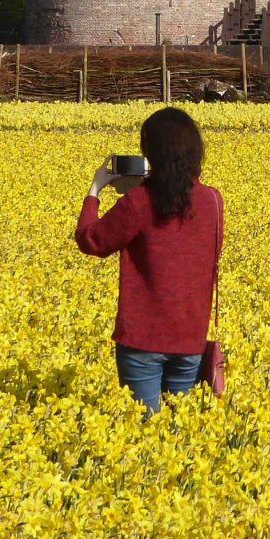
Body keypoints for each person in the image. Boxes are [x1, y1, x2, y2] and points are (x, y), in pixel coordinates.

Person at [75, 107, 223, 415]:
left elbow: (92, 240)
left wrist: (95, 189)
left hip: (143, 340)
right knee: (179, 433)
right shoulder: (212, 201)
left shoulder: (138, 202)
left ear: (151, 154)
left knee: (143, 436)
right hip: (190, 338)